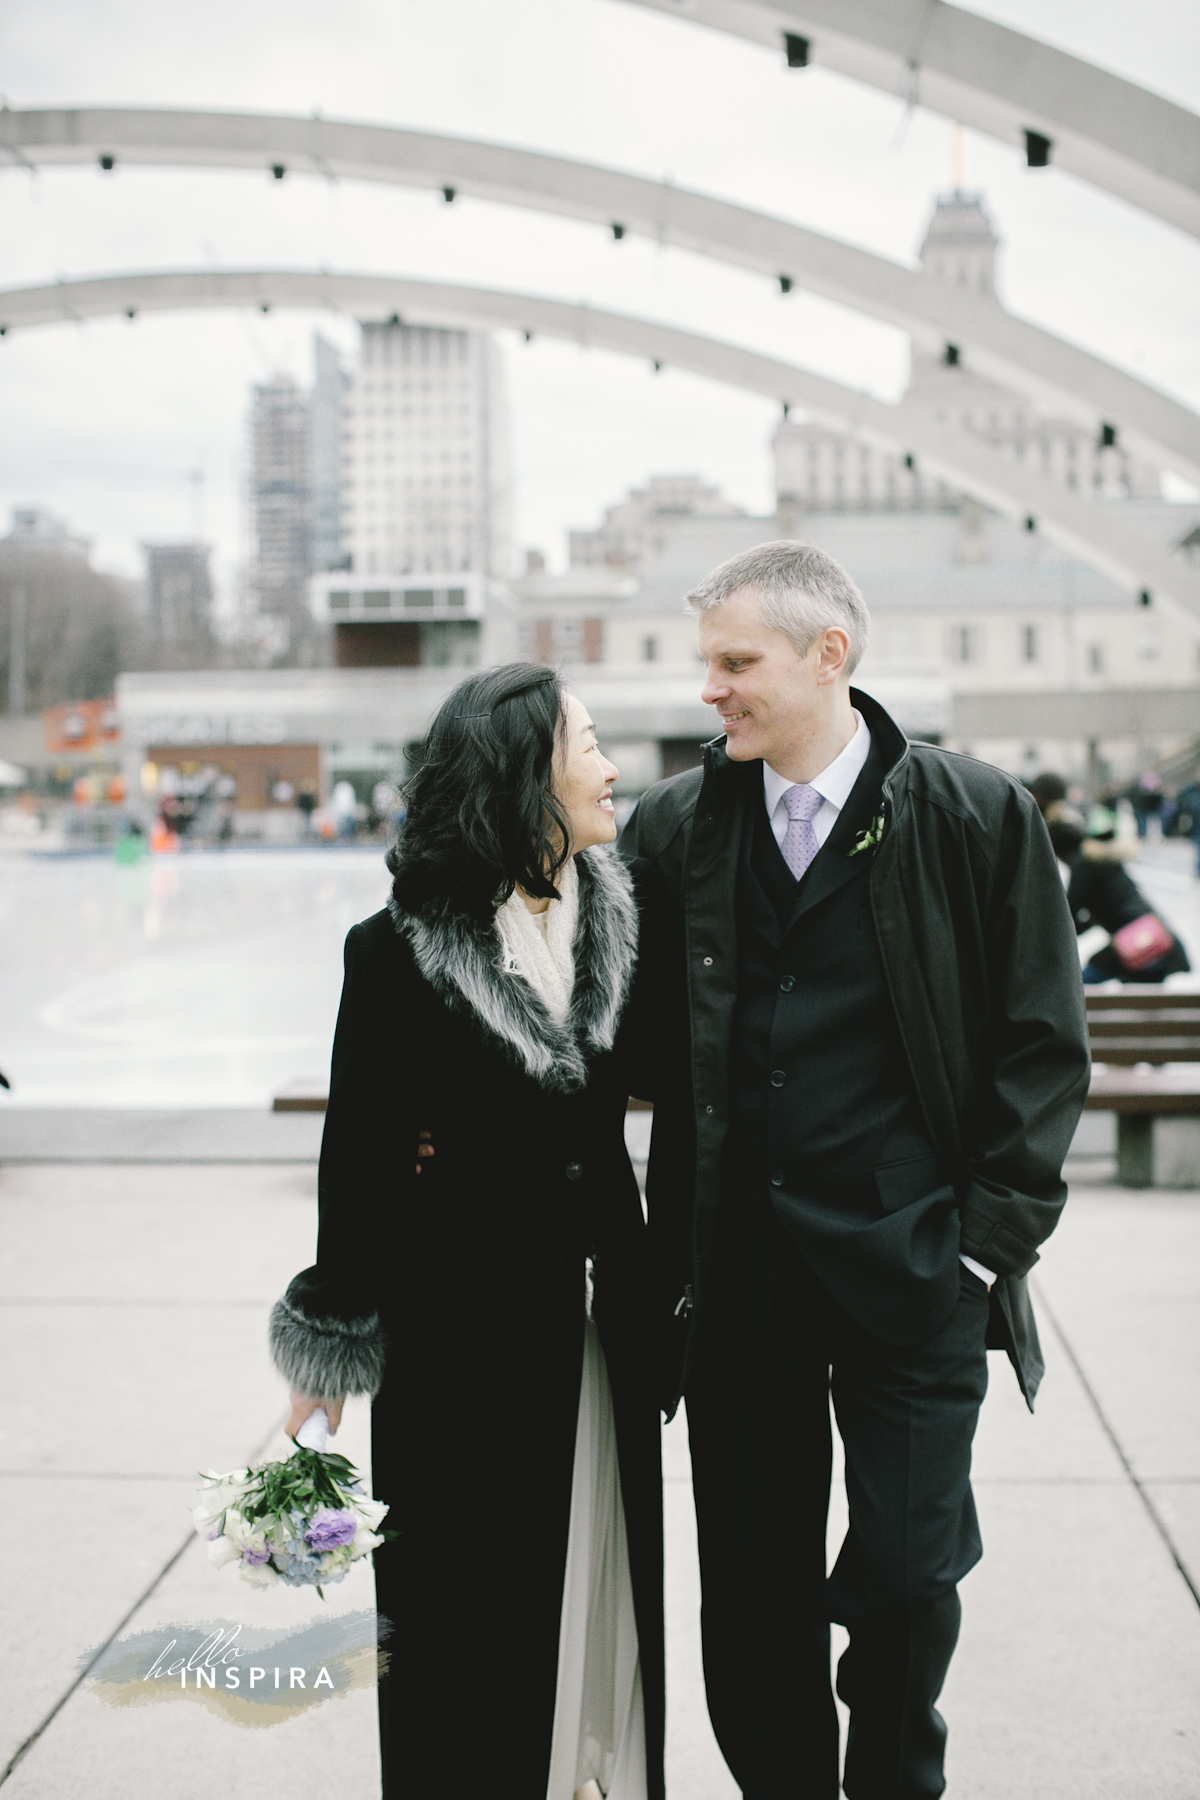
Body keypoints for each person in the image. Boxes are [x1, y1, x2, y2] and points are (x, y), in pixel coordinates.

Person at [621, 541, 1091, 1800]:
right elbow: (601, 1036)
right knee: (754, 1597)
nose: (708, 689)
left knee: (906, 1576)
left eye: (734, 661)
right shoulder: (669, 829)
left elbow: (1044, 1043)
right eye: (705, 663)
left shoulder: (978, 814)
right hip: (737, 1286)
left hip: (918, 1270)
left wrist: (990, 1241)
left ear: (829, 655)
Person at [269, 664, 671, 1800]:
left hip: (603, 1330)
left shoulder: (620, 916)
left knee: (605, 1594)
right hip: (459, 1343)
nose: (609, 769)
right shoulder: (394, 951)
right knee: (460, 1624)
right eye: (587, 746)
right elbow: (358, 1159)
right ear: (525, 775)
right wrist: (331, 1345)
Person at [1045, 802, 1191, 984]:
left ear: (1061, 850)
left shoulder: (1083, 867)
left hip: (1136, 940)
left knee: (1082, 982)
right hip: (1151, 933)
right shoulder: (1102, 859)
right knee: (1141, 997)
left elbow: (1068, 916)